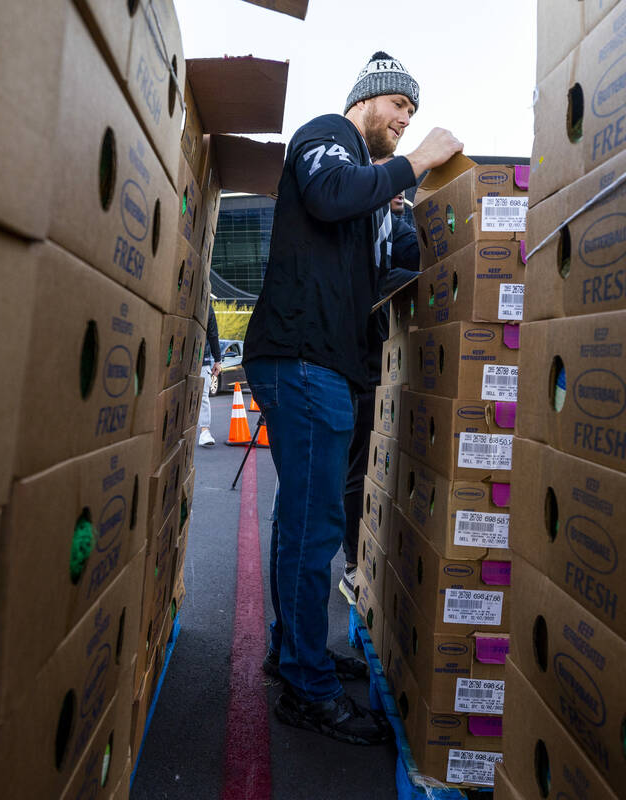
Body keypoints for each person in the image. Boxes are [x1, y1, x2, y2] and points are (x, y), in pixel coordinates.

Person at [242, 51, 463, 745]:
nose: (405, 121)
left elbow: (388, 270)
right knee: (312, 534)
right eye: (400, 106)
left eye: (412, 115)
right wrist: (414, 163)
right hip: (303, 363)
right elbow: (332, 191)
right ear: (368, 99)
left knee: (302, 524)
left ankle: (295, 656)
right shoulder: (325, 135)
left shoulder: (371, 196)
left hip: (325, 368)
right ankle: (306, 690)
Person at [339, 181, 421, 603]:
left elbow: (416, 254)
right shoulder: (359, 224)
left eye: (401, 189)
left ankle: (369, 553)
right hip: (357, 369)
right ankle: (352, 563)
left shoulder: (398, 225)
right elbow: (380, 278)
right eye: (389, 187)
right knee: (356, 469)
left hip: (385, 368)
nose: (397, 195)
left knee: (379, 468)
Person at [198, 303, 223, 446]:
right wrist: (217, 360)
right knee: (203, 397)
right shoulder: (205, 301)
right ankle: (204, 431)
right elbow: (213, 333)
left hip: (188, 356)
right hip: (201, 356)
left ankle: (204, 431)